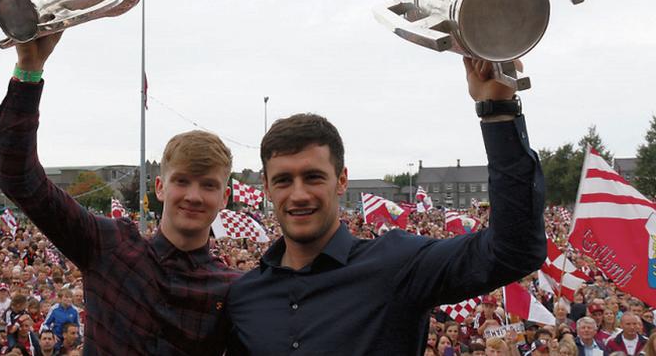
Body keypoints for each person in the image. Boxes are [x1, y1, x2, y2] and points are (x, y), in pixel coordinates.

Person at [226, 58, 547, 354]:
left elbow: (513, 251)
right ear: (266, 188)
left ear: (341, 180)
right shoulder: (244, 296)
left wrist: (498, 110)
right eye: (283, 180)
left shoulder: (398, 265)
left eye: (313, 177)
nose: (298, 194)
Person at [0, 33, 240, 355]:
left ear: (225, 197)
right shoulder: (109, 246)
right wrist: (29, 71)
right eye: (182, 181)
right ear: (160, 188)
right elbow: (19, 178)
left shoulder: (234, 290)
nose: (193, 195)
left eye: (208, 185)